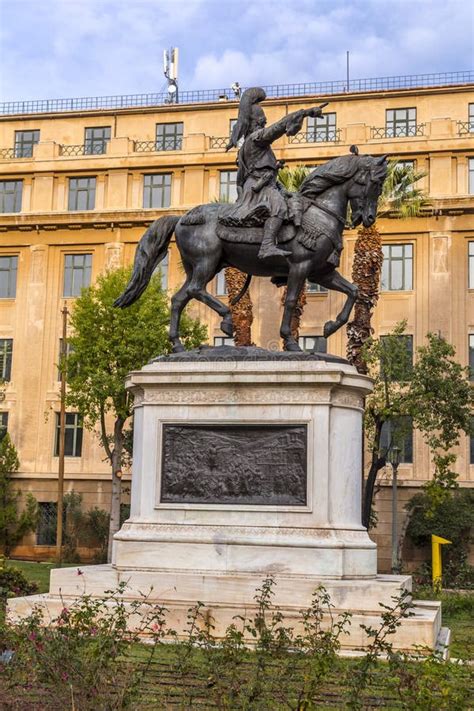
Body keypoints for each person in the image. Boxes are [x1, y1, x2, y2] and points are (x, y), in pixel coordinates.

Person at [225, 88, 326, 260]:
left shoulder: (253, 143)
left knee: (295, 202)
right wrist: (306, 112)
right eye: (262, 120)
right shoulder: (256, 138)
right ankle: (267, 246)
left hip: (268, 184)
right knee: (278, 206)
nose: (264, 123)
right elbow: (279, 127)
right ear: (256, 121)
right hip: (258, 187)